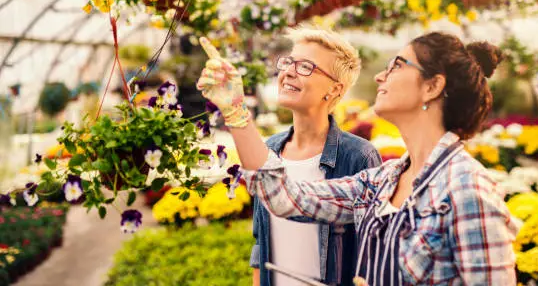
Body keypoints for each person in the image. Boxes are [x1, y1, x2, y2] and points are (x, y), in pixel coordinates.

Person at [197, 31, 517, 286]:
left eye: (396, 65)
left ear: (432, 86)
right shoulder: (382, 181)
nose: (380, 76)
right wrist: (234, 109)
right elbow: (285, 197)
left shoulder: (467, 191)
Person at [200, 27, 381, 286]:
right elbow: (260, 241)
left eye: (306, 66)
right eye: (288, 62)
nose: (289, 72)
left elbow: (371, 255)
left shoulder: (359, 156)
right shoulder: (269, 148)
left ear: (334, 89)